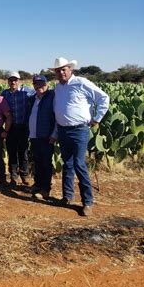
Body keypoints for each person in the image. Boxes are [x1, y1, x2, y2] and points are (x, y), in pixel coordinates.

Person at [51, 57, 109, 216]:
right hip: (63, 130)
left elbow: (104, 98)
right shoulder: (58, 88)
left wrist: (97, 118)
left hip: (79, 130)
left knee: (79, 164)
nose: (61, 72)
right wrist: (56, 132)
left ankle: (87, 202)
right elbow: (58, 111)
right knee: (67, 164)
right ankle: (67, 196)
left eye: (64, 69)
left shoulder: (82, 82)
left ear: (70, 69)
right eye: (58, 70)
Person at [1, 71, 35, 188]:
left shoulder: (28, 91)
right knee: (12, 152)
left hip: (23, 127)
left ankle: (24, 175)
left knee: (23, 152)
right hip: (11, 127)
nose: (13, 82)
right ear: (8, 81)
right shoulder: (4, 93)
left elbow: (41, 93)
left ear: (19, 81)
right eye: (11, 80)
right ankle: (13, 176)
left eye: (15, 80)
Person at [27, 75, 56, 200]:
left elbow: (57, 117)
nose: (39, 87)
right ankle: (37, 184)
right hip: (34, 136)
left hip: (46, 136)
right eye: (37, 84)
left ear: (47, 84)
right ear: (33, 85)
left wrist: (54, 134)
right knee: (37, 162)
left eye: (42, 84)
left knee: (46, 163)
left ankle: (45, 189)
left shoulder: (52, 97)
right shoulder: (33, 98)